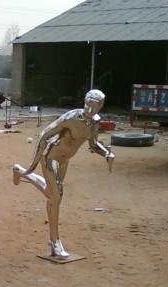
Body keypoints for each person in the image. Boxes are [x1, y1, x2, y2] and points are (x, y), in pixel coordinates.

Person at [12, 89, 114, 258]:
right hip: (51, 156)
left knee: (51, 194)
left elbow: (93, 144)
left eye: (94, 106)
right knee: (56, 197)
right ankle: (55, 241)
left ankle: (19, 171)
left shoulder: (95, 122)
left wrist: (106, 153)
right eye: (87, 104)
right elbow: (44, 135)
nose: (89, 109)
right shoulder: (71, 117)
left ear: (100, 106)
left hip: (65, 160)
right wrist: (33, 164)